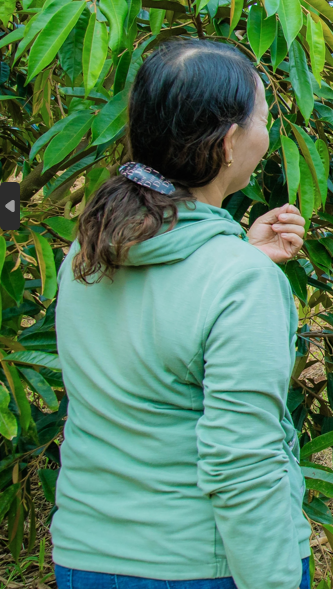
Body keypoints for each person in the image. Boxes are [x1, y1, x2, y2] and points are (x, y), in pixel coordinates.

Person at [53, 39, 312, 589]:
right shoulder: (241, 282)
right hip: (196, 565)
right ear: (228, 144)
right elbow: (242, 462)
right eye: (263, 117)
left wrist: (238, 252)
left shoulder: (89, 247)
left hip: (85, 554)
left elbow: (147, 343)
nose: (268, 135)